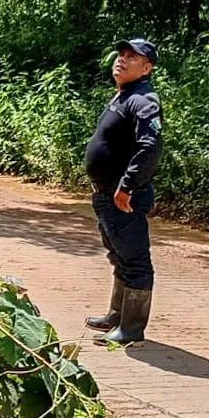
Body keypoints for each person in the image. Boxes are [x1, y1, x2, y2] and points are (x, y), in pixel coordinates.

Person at [84, 38, 163, 345]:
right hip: (107, 195)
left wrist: (127, 186)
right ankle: (117, 315)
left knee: (134, 260)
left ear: (146, 68)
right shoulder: (124, 96)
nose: (122, 59)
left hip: (124, 197)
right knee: (119, 256)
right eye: (121, 54)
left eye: (132, 57)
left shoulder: (143, 100)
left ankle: (131, 329)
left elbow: (150, 147)